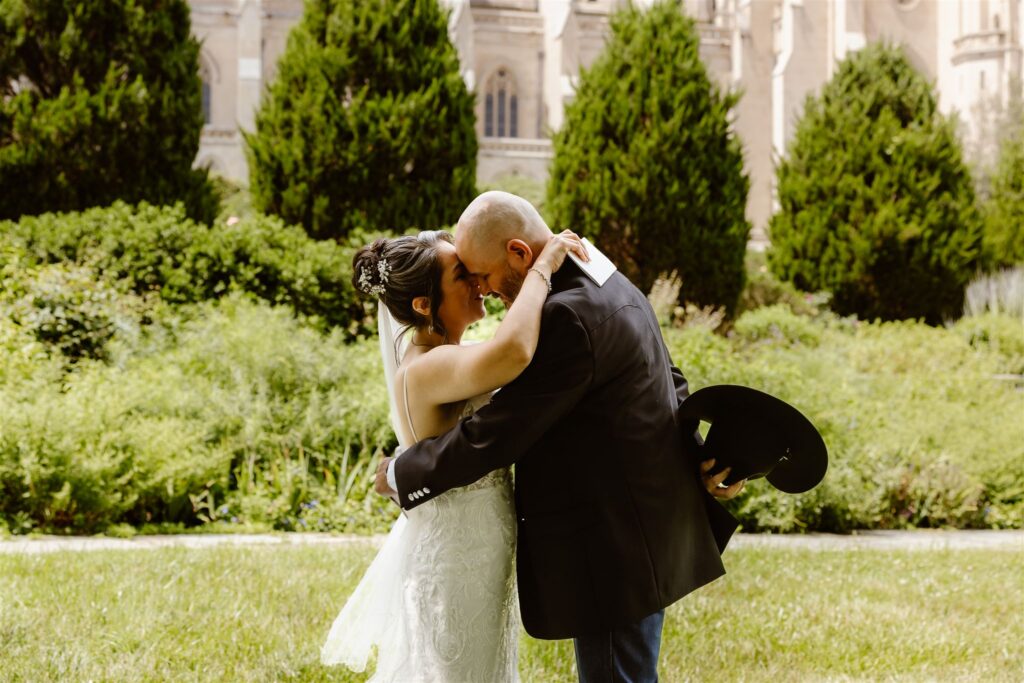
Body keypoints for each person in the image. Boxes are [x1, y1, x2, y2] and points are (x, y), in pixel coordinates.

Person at [375, 191, 745, 683]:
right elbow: (660, 373)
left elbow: (501, 431)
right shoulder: (598, 272)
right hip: (637, 532)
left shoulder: (563, 314)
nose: (482, 291)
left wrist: (404, 472)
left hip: (611, 544)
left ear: (520, 254)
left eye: (481, 275)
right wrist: (695, 454)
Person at [320, 225, 589, 681]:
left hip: (476, 545)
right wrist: (542, 268)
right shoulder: (429, 365)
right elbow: (516, 351)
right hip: (459, 554)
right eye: (461, 275)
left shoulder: (442, 357)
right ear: (424, 306)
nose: (477, 282)